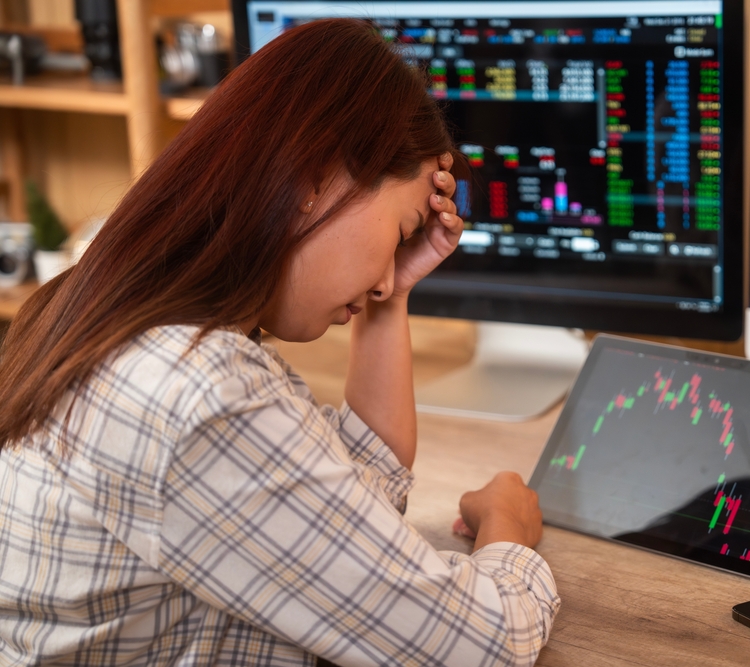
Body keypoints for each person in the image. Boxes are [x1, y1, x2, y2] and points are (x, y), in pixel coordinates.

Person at [0, 19, 559, 667]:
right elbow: (481, 645)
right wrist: (508, 527)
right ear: (318, 176)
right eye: (400, 229)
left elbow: (346, 503)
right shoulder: (200, 392)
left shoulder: (109, 315)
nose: (382, 278)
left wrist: (392, 294)